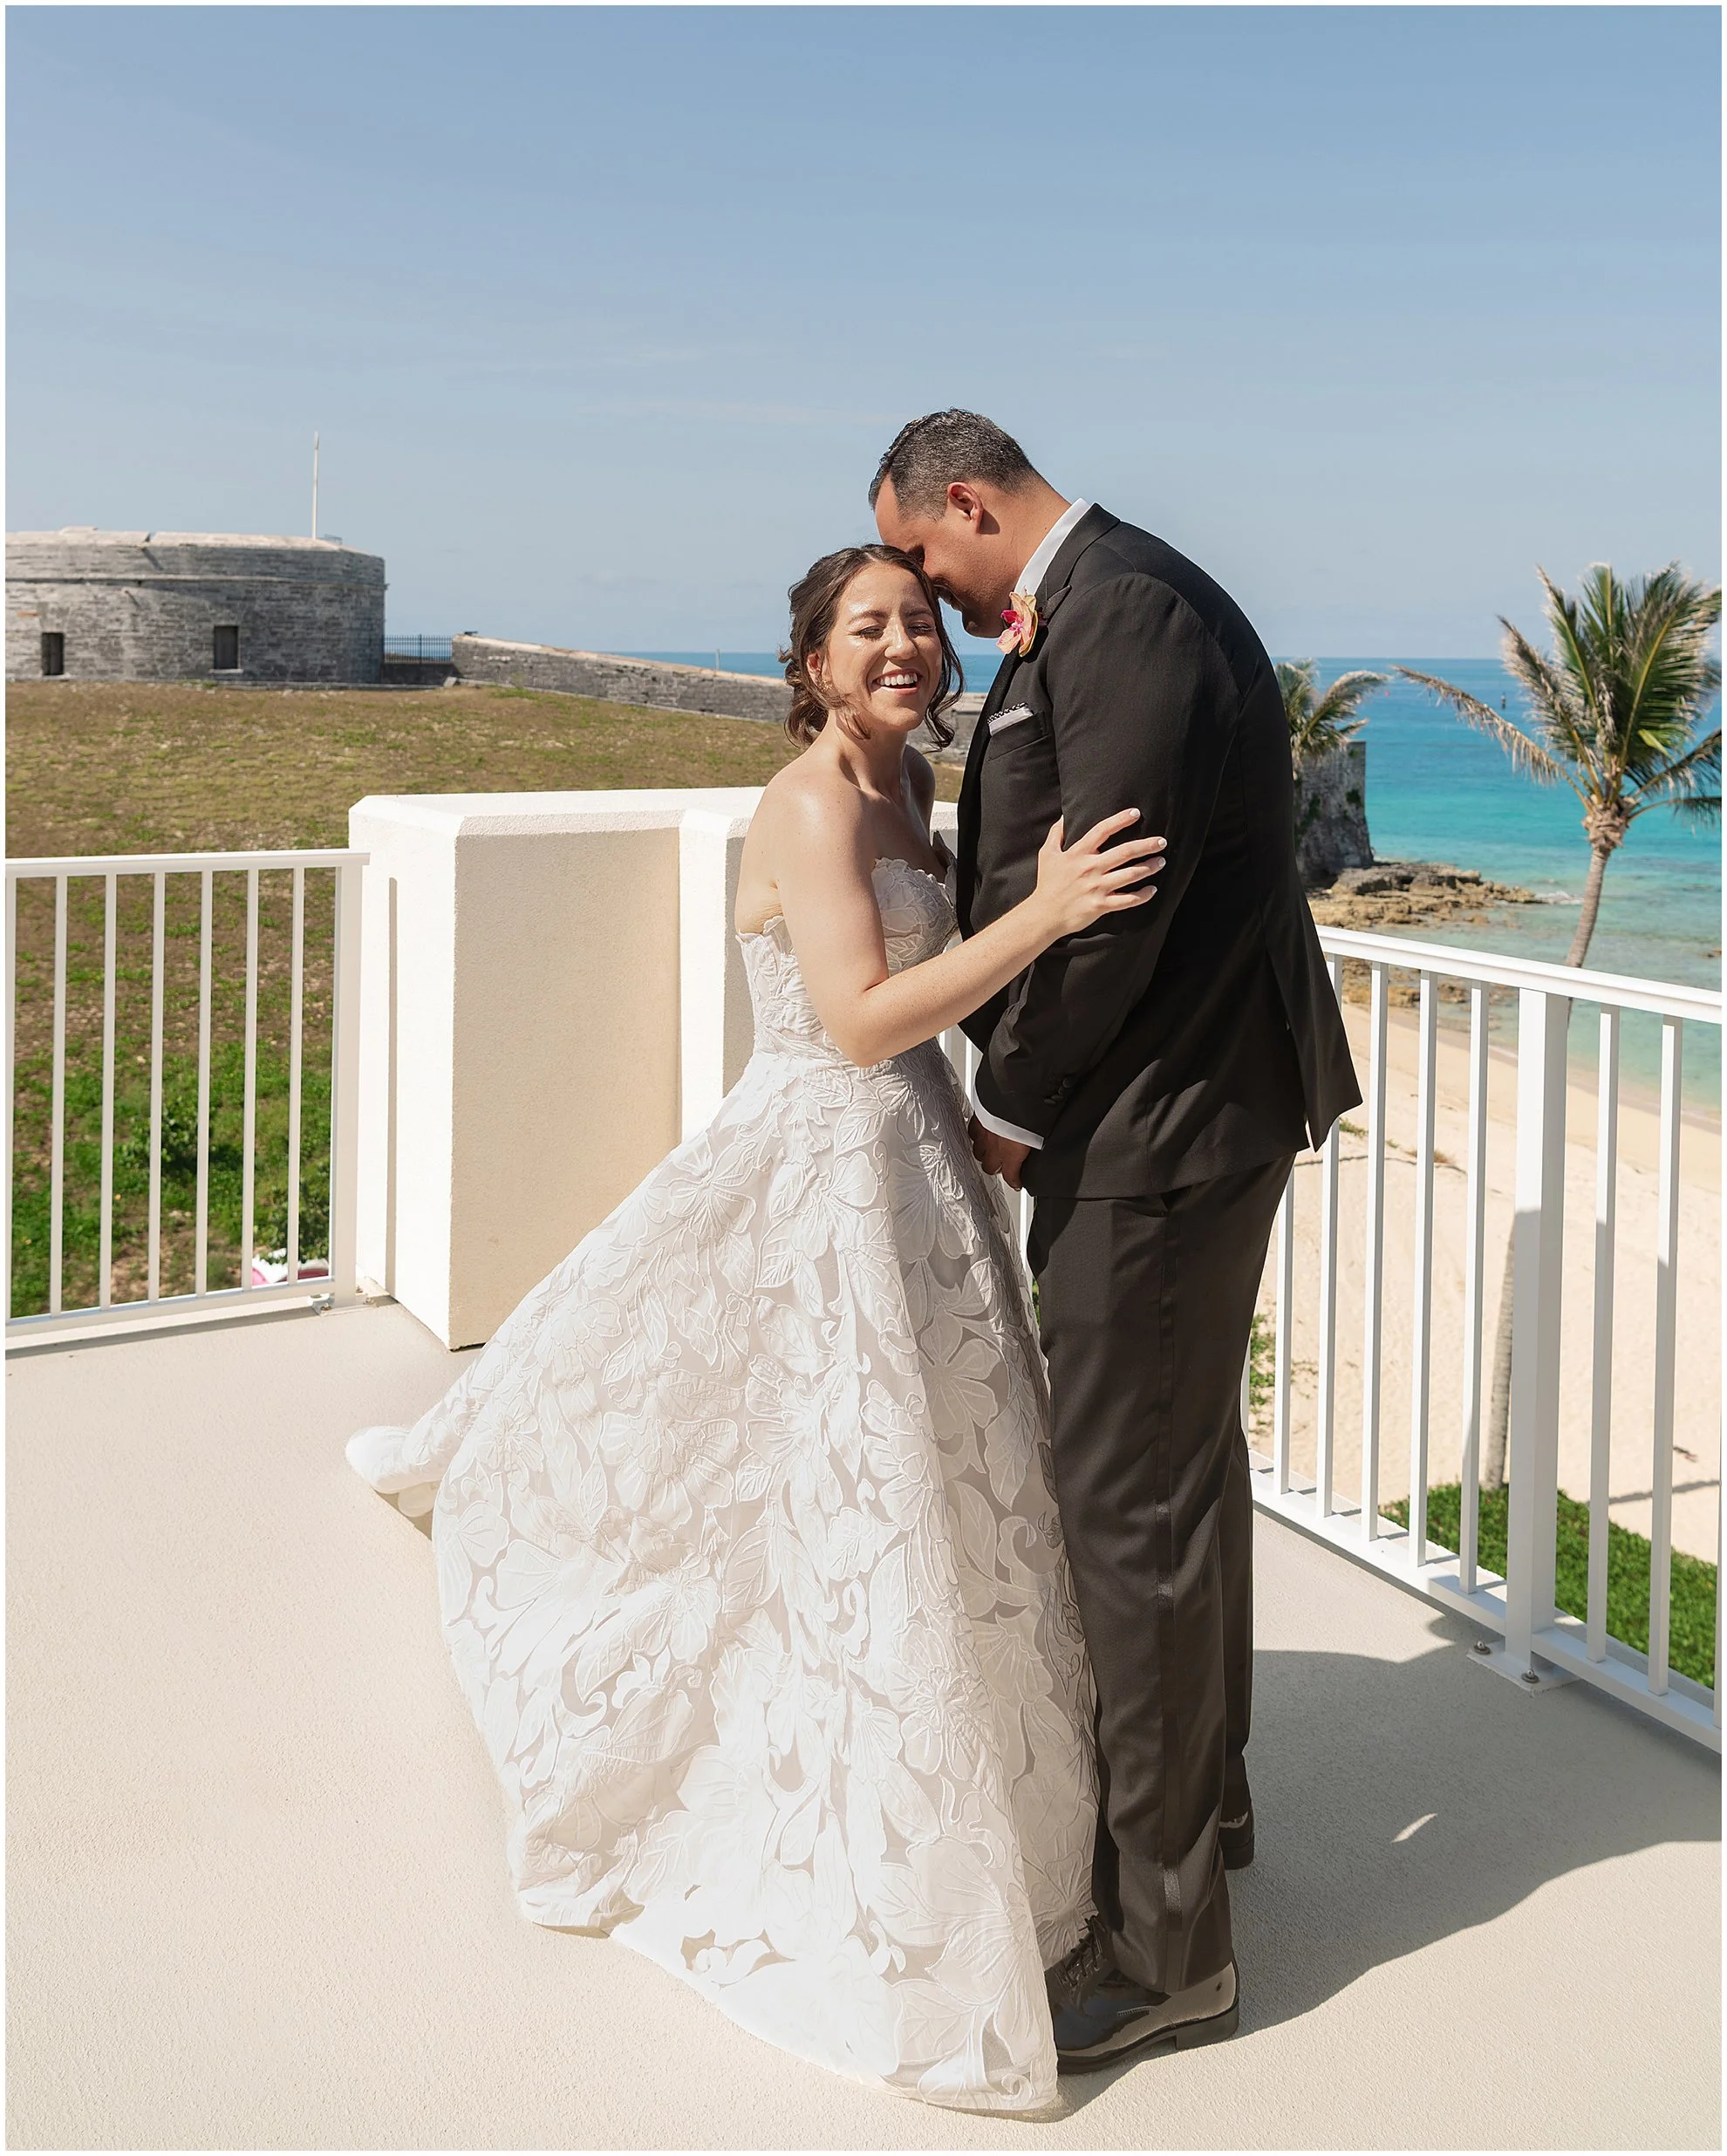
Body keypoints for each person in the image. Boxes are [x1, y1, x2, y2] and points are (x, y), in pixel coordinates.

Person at [345, 542, 1165, 2111]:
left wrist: (1038, 639)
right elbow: (858, 1021)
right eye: (870, 629)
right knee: (820, 1476)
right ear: (810, 662)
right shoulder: (803, 806)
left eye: (922, 625)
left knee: (926, 1486)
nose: (904, 649)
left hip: (919, 1163)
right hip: (830, 1160)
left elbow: (920, 972)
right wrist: (1052, 911)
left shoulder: (911, 789)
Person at [874, 411, 1361, 2072]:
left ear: (969, 499)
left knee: (1125, 1510)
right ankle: (1203, 1815)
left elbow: (1121, 900)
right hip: (1172, 1116)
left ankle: (1167, 1954)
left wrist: (1011, 1096)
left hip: (1160, 1127)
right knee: (1178, 1481)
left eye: (933, 566)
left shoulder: (1126, 609)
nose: (935, 604)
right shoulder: (1091, 612)